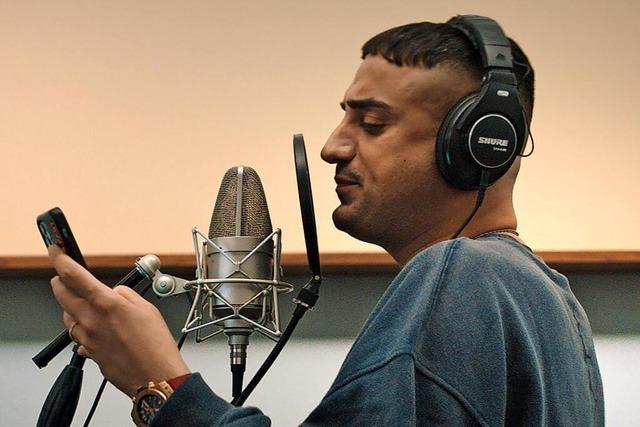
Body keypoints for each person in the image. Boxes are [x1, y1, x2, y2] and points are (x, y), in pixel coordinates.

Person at [47, 16, 604, 426]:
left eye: (372, 123)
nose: (332, 147)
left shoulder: (461, 275)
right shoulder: (551, 302)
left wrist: (161, 383)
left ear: (479, 145)